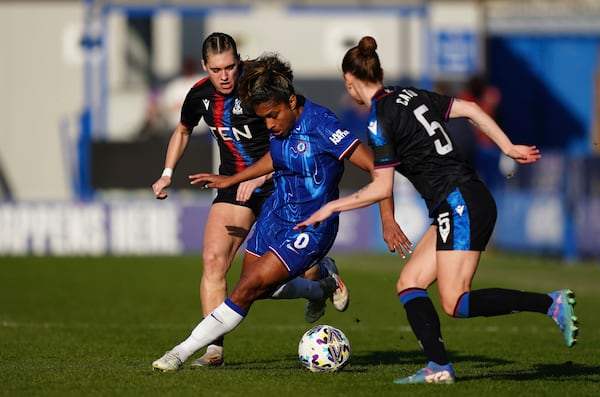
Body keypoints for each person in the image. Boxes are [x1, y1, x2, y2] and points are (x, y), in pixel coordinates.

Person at [295, 36, 579, 384]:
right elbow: (473, 110)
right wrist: (508, 147)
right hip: (460, 200)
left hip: (458, 202)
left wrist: (332, 207)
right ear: (380, 72)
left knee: (455, 301)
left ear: (349, 82)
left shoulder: (378, 120)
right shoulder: (410, 95)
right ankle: (438, 366)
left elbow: (382, 187)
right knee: (410, 282)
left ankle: (550, 304)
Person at [151, 53, 400, 372]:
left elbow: (379, 169)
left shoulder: (322, 125)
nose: (269, 125)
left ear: (292, 101)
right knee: (259, 288)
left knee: (246, 288)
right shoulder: (278, 123)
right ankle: (322, 283)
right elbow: (275, 158)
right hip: (276, 214)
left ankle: (179, 353)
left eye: (272, 117)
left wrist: (387, 217)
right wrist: (234, 178)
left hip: (312, 227)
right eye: (264, 119)